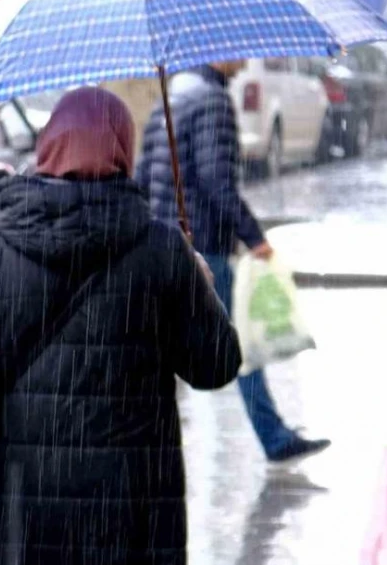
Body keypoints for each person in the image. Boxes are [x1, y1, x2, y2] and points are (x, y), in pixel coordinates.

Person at [0, 87, 242, 564]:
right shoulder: (159, 249)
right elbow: (216, 366)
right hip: (126, 506)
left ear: (48, 147)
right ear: (123, 150)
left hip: (20, 501)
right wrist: (198, 283)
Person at [136, 62, 332, 463]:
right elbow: (215, 180)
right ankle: (274, 437)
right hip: (201, 246)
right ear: (214, 54)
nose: (244, 61)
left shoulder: (170, 97)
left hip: (161, 244)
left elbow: (144, 174)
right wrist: (254, 237)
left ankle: (148, 445)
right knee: (236, 344)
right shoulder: (211, 100)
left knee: (156, 349)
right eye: (235, 52)